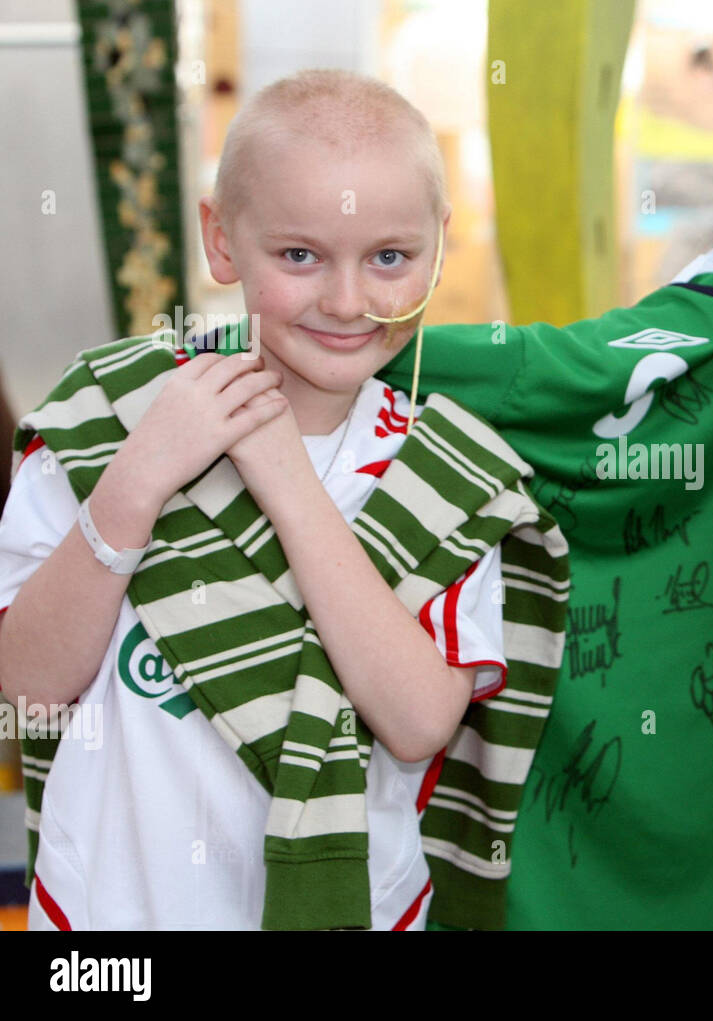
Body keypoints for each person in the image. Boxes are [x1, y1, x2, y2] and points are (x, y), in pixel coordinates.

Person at [0, 69, 568, 931]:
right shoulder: (106, 416)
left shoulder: (450, 476)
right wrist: (138, 478)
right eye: (299, 255)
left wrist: (287, 481)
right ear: (221, 241)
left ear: (439, 247)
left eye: (390, 257)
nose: (347, 301)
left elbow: (418, 722)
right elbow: (22, 688)